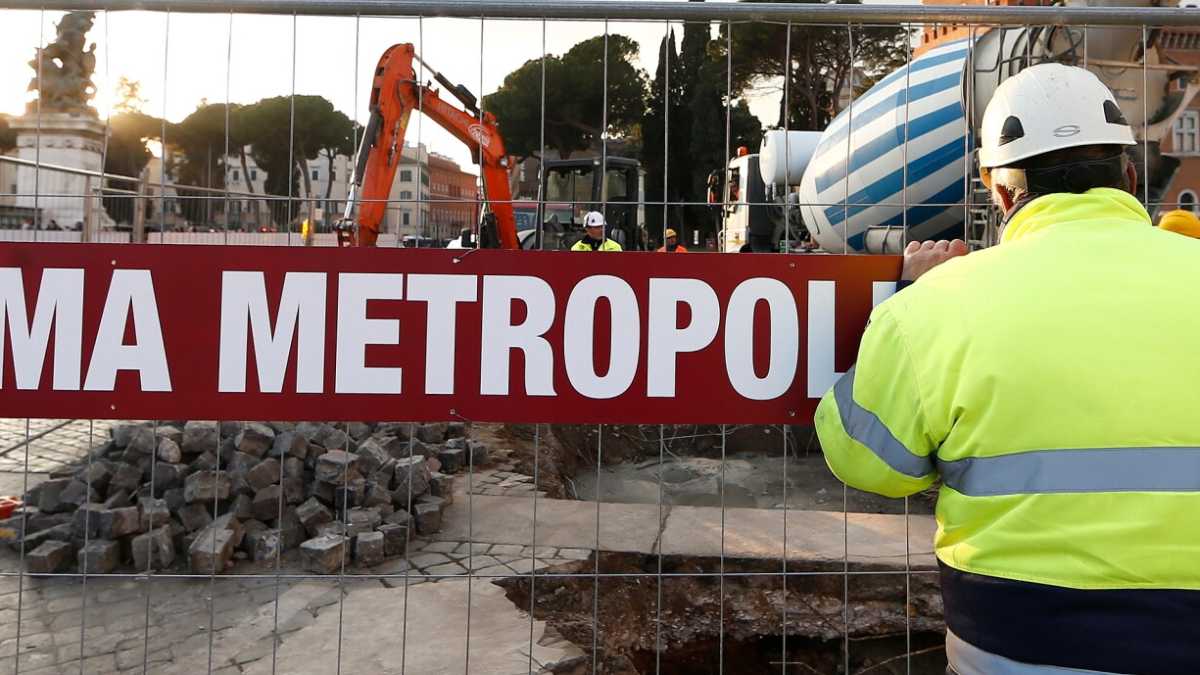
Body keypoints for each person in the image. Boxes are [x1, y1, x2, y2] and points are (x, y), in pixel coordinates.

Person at [814, 62, 1200, 675]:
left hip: (1020, 646)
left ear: (1000, 192)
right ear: (1128, 175)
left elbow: (868, 463)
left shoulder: (937, 307)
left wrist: (904, 304)